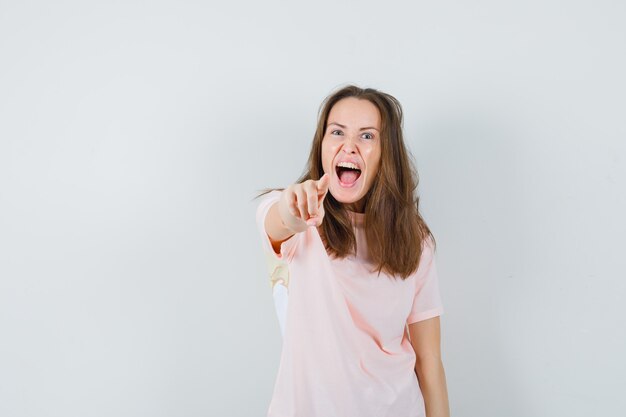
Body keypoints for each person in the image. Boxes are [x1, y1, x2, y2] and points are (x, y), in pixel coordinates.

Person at [254, 84, 450, 417]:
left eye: (367, 136)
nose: (349, 146)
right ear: (322, 145)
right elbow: (281, 219)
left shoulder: (415, 239)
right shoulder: (296, 218)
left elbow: (430, 362)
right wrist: (294, 207)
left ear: (386, 152)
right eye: (337, 132)